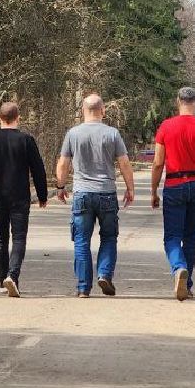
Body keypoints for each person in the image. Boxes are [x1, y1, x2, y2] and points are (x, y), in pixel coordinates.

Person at [150, 86, 195, 301]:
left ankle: (179, 267)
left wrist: (154, 191)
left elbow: (158, 163)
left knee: (172, 236)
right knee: (191, 237)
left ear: (178, 101)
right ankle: (187, 283)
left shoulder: (166, 127)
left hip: (174, 185)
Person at [56, 93, 135, 298]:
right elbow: (124, 163)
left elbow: (63, 163)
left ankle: (83, 287)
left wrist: (60, 186)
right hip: (106, 193)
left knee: (81, 240)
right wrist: (130, 188)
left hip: (82, 193)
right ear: (103, 110)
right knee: (109, 237)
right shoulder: (112, 134)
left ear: (83, 110)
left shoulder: (73, 134)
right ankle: (104, 274)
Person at [0, 101, 48, 297]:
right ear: (18, 118)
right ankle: (12, 276)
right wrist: (42, 195)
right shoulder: (26, 140)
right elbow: (38, 169)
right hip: (20, 197)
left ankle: (2, 280)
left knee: (0, 239)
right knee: (19, 238)